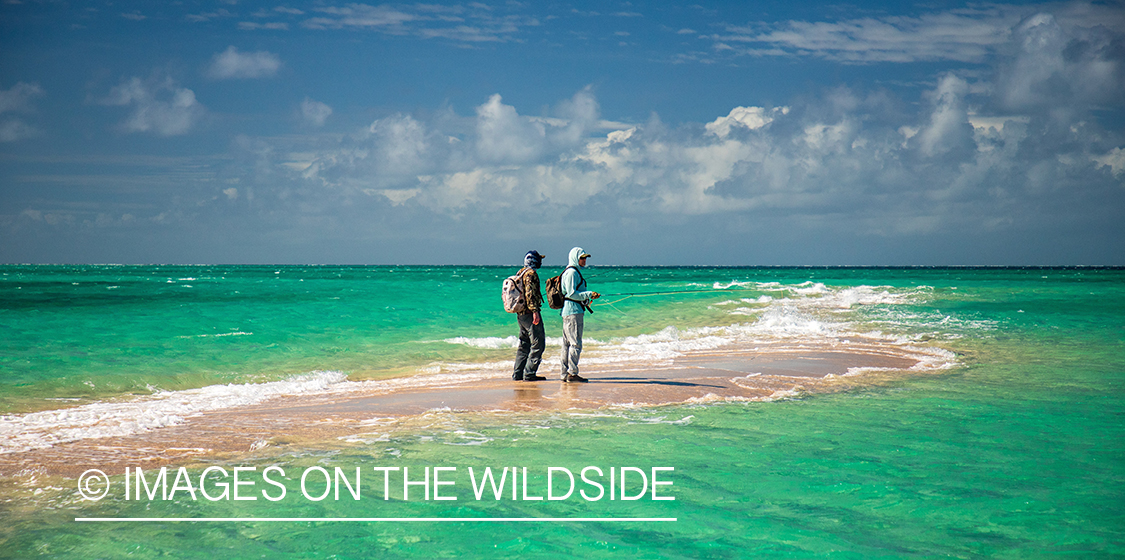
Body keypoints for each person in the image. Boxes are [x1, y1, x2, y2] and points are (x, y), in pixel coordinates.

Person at [559, 247, 600, 383]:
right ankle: (572, 373)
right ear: (575, 258)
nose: (584, 260)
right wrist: (589, 293)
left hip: (570, 311)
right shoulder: (571, 273)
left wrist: (587, 297)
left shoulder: (572, 272)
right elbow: (571, 294)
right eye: (582, 258)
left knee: (567, 344)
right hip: (573, 312)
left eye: (585, 258)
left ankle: (565, 373)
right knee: (575, 344)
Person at [513, 250, 547, 382]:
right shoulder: (531, 274)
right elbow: (530, 294)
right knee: (538, 343)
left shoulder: (521, 272)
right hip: (529, 314)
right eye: (539, 259)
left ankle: (518, 373)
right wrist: (535, 312)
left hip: (520, 314)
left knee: (524, 343)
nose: (541, 262)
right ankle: (529, 373)